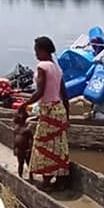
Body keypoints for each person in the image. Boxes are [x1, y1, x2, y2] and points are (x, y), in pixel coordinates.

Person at [20, 36, 70, 191]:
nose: (35, 54)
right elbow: (64, 94)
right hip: (59, 109)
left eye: (36, 51)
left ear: (43, 50)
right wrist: (67, 116)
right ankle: (61, 180)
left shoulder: (42, 66)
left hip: (48, 111)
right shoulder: (56, 68)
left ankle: (47, 182)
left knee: (43, 146)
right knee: (59, 146)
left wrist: (24, 104)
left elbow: (40, 91)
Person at [13, 107, 33, 180]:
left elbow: (31, 140)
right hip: (19, 150)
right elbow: (14, 139)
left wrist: (29, 149)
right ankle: (20, 176)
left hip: (26, 149)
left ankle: (31, 177)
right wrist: (14, 148)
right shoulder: (16, 128)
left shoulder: (27, 130)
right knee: (20, 164)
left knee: (29, 164)